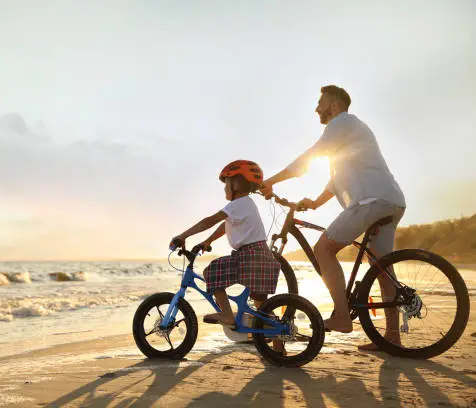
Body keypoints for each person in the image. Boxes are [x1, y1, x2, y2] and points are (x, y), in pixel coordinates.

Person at [260, 85, 406, 351]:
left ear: (335, 104)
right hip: (391, 200)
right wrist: (315, 203)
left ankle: (341, 316)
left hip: (370, 201)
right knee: (382, 269)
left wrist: (269, 181)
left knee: (323, 249)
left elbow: (307, 159)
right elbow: (337, 180)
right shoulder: (349, 134)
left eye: (320, 102)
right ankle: (392, 337)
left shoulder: (342, 123)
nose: (316, 108)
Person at [170, 160, 281, 327]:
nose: (224, 188)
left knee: (211, 271)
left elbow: (209, 221)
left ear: (237, 183)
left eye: (226, 183)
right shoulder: (245, 205)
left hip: (250, 256)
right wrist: (207, 241)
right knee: (262, 308)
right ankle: (278, 347)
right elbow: (226, 225)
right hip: (261, 256)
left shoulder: (238, 203)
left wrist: (183, 236)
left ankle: (227, 315)